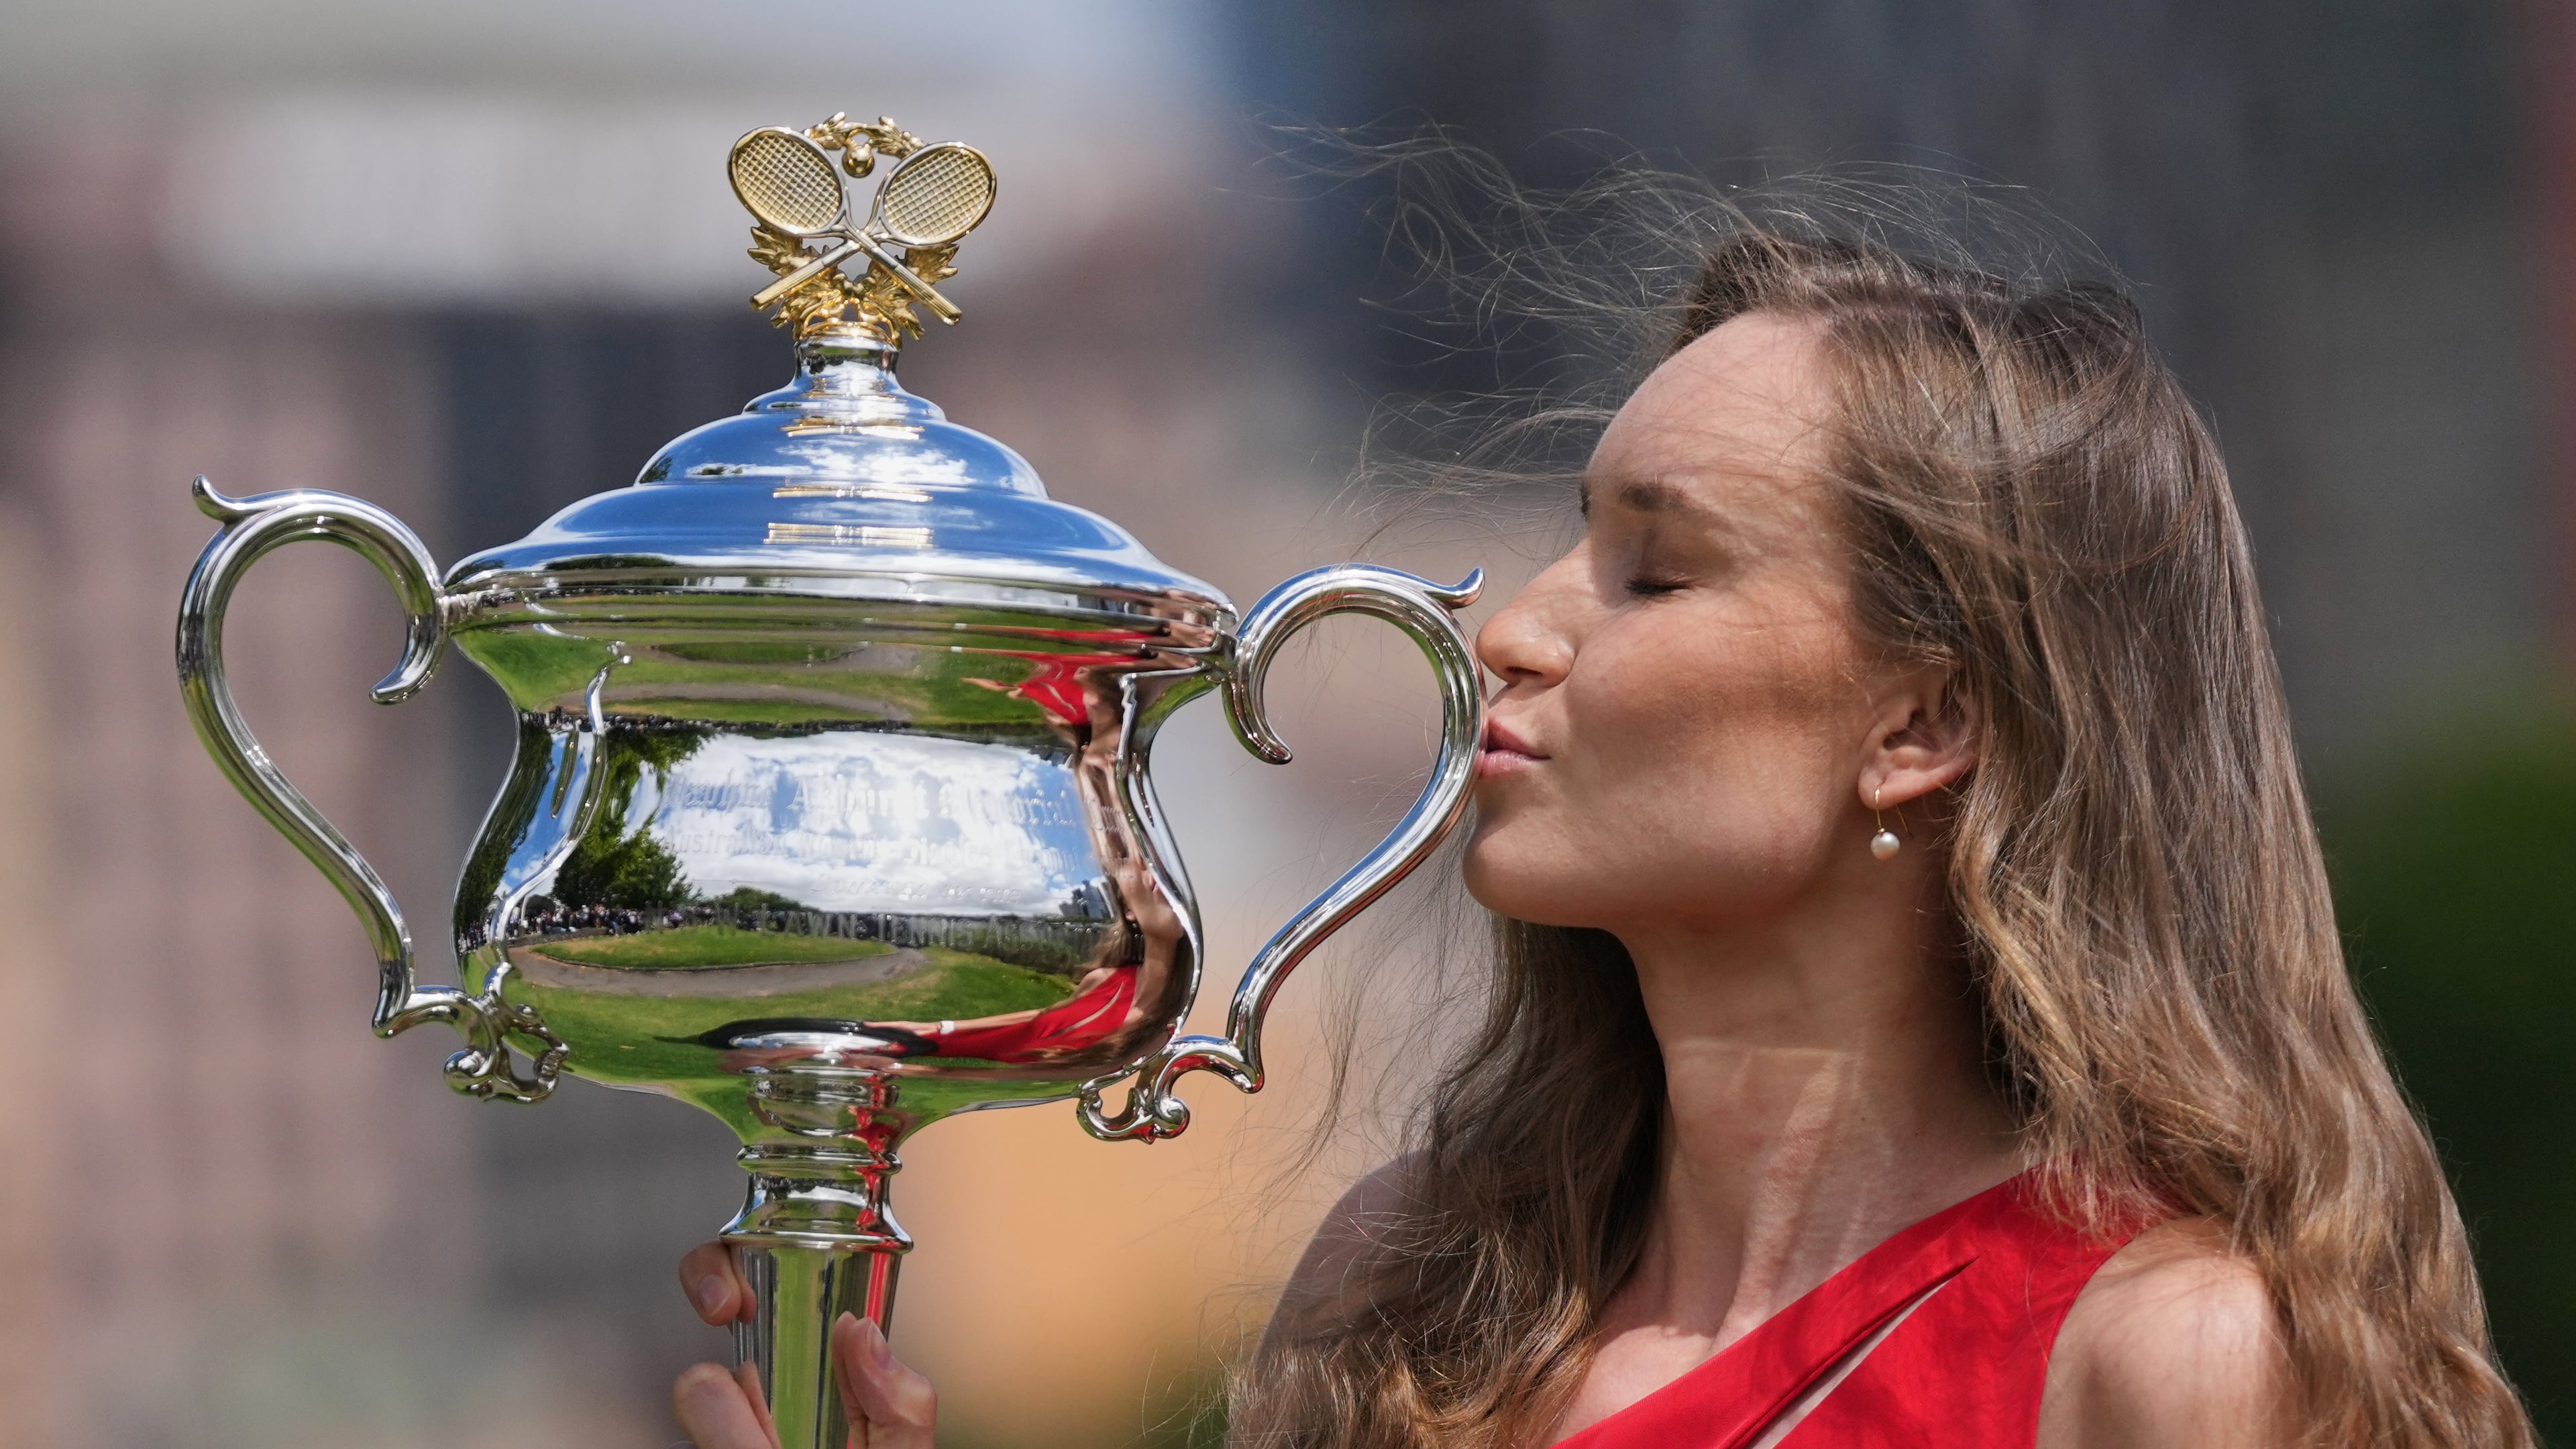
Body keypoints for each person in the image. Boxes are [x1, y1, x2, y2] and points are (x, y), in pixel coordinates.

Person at [663, 212, 2538, 1448]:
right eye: (1576, 539)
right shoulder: (1407, 1307)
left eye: (1657, 573)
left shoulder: (2171, 1361)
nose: (1510, 626)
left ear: (1929, 722)